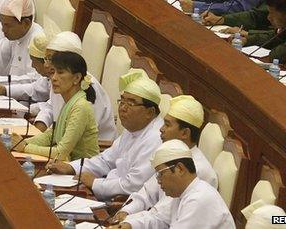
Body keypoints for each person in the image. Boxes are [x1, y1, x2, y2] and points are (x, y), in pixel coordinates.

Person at [46, 68, 163, 201]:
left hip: (120, 203)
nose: (123, 108)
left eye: (130, 103)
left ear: (150, 112)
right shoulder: (133, 128)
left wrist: (95, 183)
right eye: (122, 101)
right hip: (104, 189)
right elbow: (106, 160)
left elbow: (133, 186)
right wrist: (72, 167)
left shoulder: (155, 139)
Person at [113, 95, 218, 227]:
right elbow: (147, 192)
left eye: (167, 125)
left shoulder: (198, 170)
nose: (161, 129)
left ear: (185, 133)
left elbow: (162, 216)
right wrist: (126, 213)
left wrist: (131, 223)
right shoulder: (171, 157)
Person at [110, 140, 235, 229]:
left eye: (160, 174)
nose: (158, 181)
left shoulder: (199, 199)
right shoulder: (183, 194)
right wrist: (129, 225)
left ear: (180, 169)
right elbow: (160, 220)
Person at [12, 51, 99, 161]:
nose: (53, 78)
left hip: (83, 172)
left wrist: (25, 147)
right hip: (66, 167)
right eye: (53, 73)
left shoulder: (81, 106)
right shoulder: (69, 102)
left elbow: (61, 152)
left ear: (76, 78)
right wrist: (20, 142)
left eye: (60, 72)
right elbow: (50, 136)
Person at [34, 31, 118, 142]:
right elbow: (51, 106)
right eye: (46, 59)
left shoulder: (89, 88)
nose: (46, 64)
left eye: (50, 59)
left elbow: (78, 137)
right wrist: (41, 124)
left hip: (93, 152)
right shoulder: (59, 79)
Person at [0, 31, 51, 107]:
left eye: (34, 61)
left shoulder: (35, 36)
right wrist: (5, 90)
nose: (32, 65)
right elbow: (35, 89)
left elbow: (52, 106)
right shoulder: (48, 78)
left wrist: (32, 110)